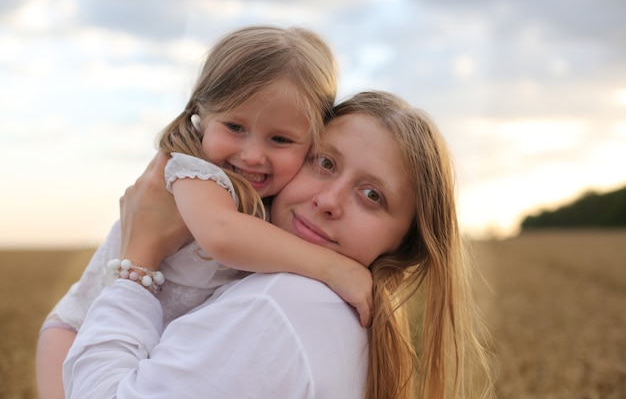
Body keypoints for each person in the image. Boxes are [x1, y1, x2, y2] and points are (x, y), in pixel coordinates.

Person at [63, 91, 494, 399]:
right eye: (324, 163)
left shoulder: (275, 305)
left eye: (372, 196)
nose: (327, 201)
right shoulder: (347, 316)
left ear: (406, 243)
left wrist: (137, 259)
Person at [36, 26, 374, 399]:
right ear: (202, 115)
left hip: (140, 346)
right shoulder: (194, 173)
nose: (251, 155)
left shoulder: (270, 204)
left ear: (312, 143)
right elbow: (221, 235)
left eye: (280, 139)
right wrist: (334, 267)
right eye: (235, 127)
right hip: (73, 332)